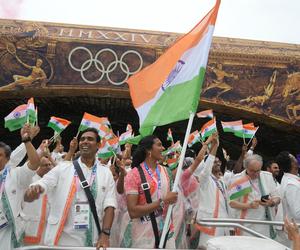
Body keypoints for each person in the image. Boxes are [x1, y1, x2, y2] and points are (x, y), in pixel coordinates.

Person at [24, 128, 117, 249]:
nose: (84, 141)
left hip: (93, 240)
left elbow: (110, 205)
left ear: (98, 145)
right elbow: (45, 183)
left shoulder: (106, 173)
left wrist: (105, 235)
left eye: (90, 139)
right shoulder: (63, 168)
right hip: (62, 239)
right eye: (82, 139)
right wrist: (35, 189)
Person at [122, 135, 178, 248]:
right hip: (144, 237)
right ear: (148, 150)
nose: (163, 148)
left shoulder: (166, 171)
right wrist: (162, 202)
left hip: (167, 234)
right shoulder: (133, 175)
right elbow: (133, 212)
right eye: (159, 145)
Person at [0, 124, 40, 250]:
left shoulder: (15, 174)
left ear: (7, 159)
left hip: (8, 234)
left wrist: (27, 140)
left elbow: (34, 163)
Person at [229, 154, 280, 239]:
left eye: (258, 170)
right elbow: (231, 203)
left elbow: (277, 198)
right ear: (246, 168)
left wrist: (272, 202)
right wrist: (249, 205)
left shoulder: (267, 176)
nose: (256, 174)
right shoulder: (239, 179)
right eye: (252, 171)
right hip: (246, 226)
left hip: (265, 224)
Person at [192, 133, 230, 248]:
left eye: (219, 161)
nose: (218, 163)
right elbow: (206, 168)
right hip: (210, 223)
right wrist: (214, 147)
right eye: (215, 161)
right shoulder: (205, 180)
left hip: (223, 224)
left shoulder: (222, 182)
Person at [22, 154, 55, 245]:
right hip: (31, 226)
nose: (49, 167)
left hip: (47, 226)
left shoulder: (51, 181)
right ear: (38, 167)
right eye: (45, 165)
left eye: (49, 164)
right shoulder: (30, 180)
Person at [277, 152, 300, 223]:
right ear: (292, 164)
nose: (297, 159)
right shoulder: (291, 185)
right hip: (296, 229)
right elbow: (297, 213)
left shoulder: (290, 179)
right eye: (294, 158)